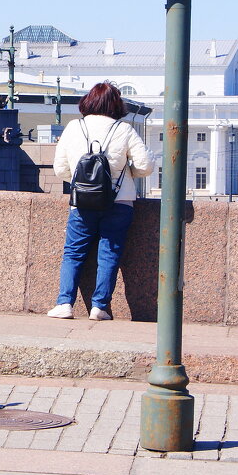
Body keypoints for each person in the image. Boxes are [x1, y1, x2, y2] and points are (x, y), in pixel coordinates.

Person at [48, 82, 153, 321]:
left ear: (88, 101)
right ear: (116, 104)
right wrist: (125, 175)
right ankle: (99, 307)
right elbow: (145, 166)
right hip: (120, 201)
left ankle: (64, 304)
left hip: (82, 202)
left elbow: (59, 169)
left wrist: (83, 183)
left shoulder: (74, 127)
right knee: (109, 253)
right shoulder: (123, 129)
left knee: (73, 253)